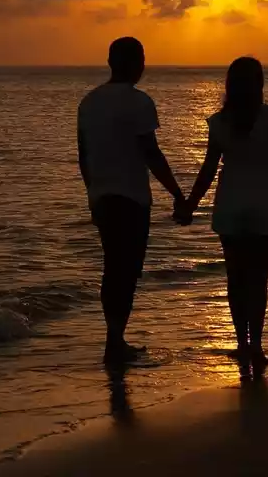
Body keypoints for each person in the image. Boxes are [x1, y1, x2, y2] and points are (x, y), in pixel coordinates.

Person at [176, 56, 268, 376]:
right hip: (267, 205)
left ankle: (242, 344)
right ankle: (255, 345)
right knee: (258, 280)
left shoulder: (220, 123)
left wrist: (190, 204)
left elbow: (207, 171)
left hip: (231, 205)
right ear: (260, 84)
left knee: (235, 279)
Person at [77, 37, 187, 364]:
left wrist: (91, 194)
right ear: (135, 63)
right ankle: (115, 342)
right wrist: (178, 194)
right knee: (125, 271)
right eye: (141, 59)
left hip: (103, 197)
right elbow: (150, 152)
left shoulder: (89, 102)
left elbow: (84, 156)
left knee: (114, 269)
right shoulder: (139, 102)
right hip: (131, 199)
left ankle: (114, 338)